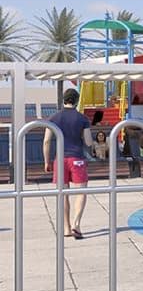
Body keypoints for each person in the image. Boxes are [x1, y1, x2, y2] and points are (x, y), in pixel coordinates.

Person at [43, 88, 93, 239]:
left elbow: (46, 141)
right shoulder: (82, 118)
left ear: (63, 100)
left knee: (63, 194)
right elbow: (89, 141)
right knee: (81, 191)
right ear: (77, 101)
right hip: (77, 158)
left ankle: (66, 227)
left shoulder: (53, 117)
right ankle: (76, 224)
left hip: (60, 159)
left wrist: (47, 161)